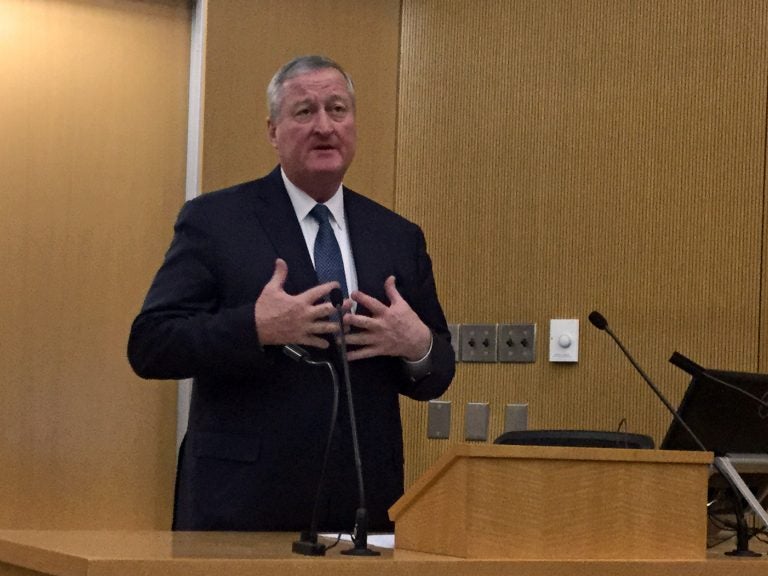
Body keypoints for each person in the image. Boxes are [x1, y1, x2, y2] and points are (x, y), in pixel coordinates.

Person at [128, 55, 455, 532]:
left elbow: (437, 370)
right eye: (304, 112)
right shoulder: (216, 221)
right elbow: (151, 343)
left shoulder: (396, 236)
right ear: (273, 130)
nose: (324, 125)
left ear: (354, 124)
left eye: (337, 109)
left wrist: (417, 344)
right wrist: (254, 328)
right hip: (241, 504)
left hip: (362, 506)